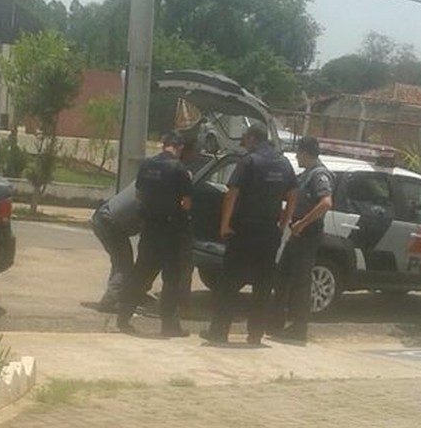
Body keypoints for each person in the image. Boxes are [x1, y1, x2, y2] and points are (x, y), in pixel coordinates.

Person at [201, 123, 297, 346]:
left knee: (229, 284)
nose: (244, 141)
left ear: (253, 139)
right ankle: (255, 335)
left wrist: (224, 225)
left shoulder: (249, 161)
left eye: (245, 138)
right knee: (263, 286)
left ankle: (218, 333)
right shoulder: (283, 163)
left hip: (244, 230)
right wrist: (282, 225)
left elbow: (231, 195)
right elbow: (293, 196)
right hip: (269, 232)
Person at [116, 131, 193, 337]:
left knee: (141, 275)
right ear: (180, 148)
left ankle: (123, 317)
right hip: (172, 232)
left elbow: (140, 193)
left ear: (164, 145)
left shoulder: (147, 165)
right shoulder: (179, 169)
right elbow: (186, 203)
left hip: (150, 229)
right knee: (171, 279)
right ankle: (169, 325)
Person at [271, 136, 334, 345]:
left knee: (300, 282)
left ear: (306, 152)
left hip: (307, 234)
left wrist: (302, 224)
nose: (296, 156)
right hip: (297, 233)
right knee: (281, 276)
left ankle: (299, 329)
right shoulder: (307, 174)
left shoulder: (319, 174)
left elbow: (326, 203)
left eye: (298, 152)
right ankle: (277, 322)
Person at [90, 182, 141, 312]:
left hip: (103, 216)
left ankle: (117, 296)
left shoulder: (149, 176)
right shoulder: (161, 187)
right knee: (124, 265)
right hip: (111, 223)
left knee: (119, 262)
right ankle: (109, 302)